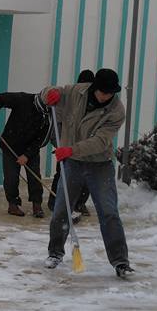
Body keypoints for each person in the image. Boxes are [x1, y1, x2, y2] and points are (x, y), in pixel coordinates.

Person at [44, 68, 134, 278]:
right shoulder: (76, 92)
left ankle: (120, 262)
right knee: (61, 211)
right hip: (72, 164)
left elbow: (101, 141)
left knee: (109, 212)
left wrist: (71, 149)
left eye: (110, 93)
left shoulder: (116, 111)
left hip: (99, 164)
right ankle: (55, 253)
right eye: (102, 92)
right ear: (94, 88)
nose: (106, 96)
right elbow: (48, 93)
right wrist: (48, 93)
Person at [0, 89, 54, 218]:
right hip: (10, 144)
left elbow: (41, 140)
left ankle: (37, 204)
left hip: (30, 149)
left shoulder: (49, 115)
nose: (48, 108)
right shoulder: (23, 99)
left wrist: (27, 155)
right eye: (47, 106)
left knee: (34, 177)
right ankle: (13, 204)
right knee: (11, 177)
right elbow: (0, 98)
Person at [48, 69, 95, 214]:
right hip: (66, 146)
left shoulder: (93, 102)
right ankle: (55, 202)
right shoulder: (68, 99)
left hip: (85, 148)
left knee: (86, 176)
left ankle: (79, 203)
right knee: (63, 174)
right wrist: (60, 145)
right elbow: (56, 125)